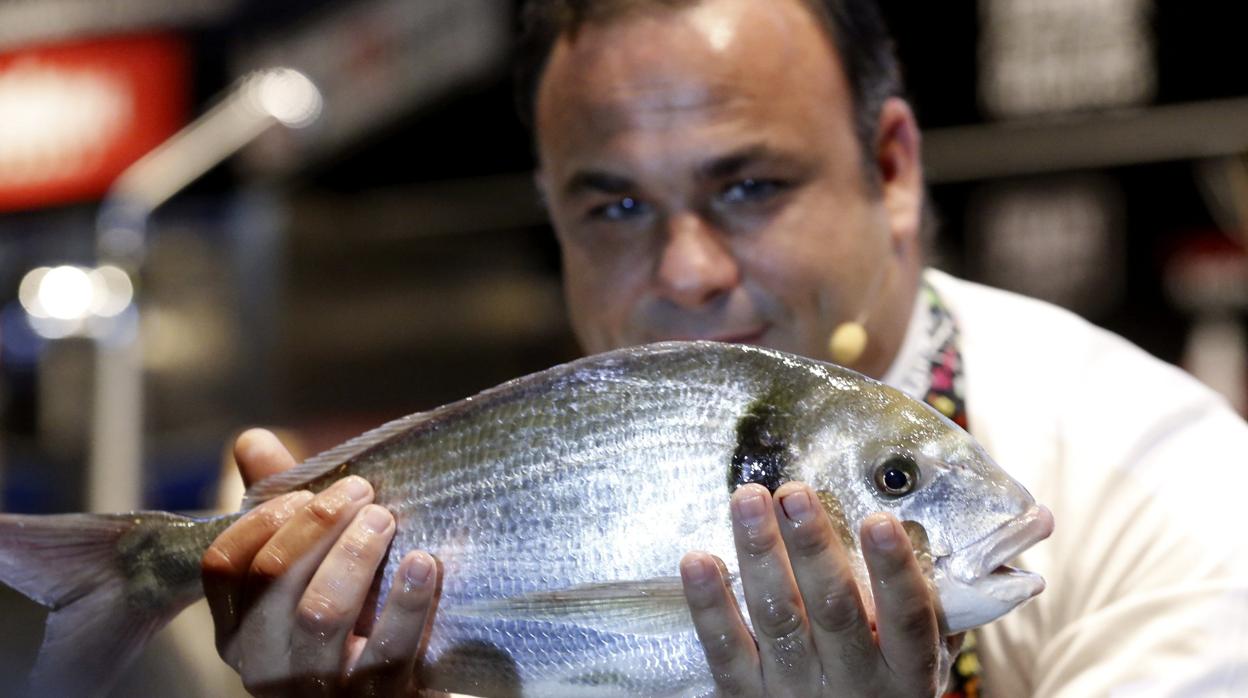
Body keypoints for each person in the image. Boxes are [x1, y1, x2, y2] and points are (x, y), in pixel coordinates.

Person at [201, 0, 1248, 695]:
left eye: (750, 186)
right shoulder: (499, 489)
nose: (687, 269)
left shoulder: (1178, 493)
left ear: (890, 170)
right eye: (613, 204)